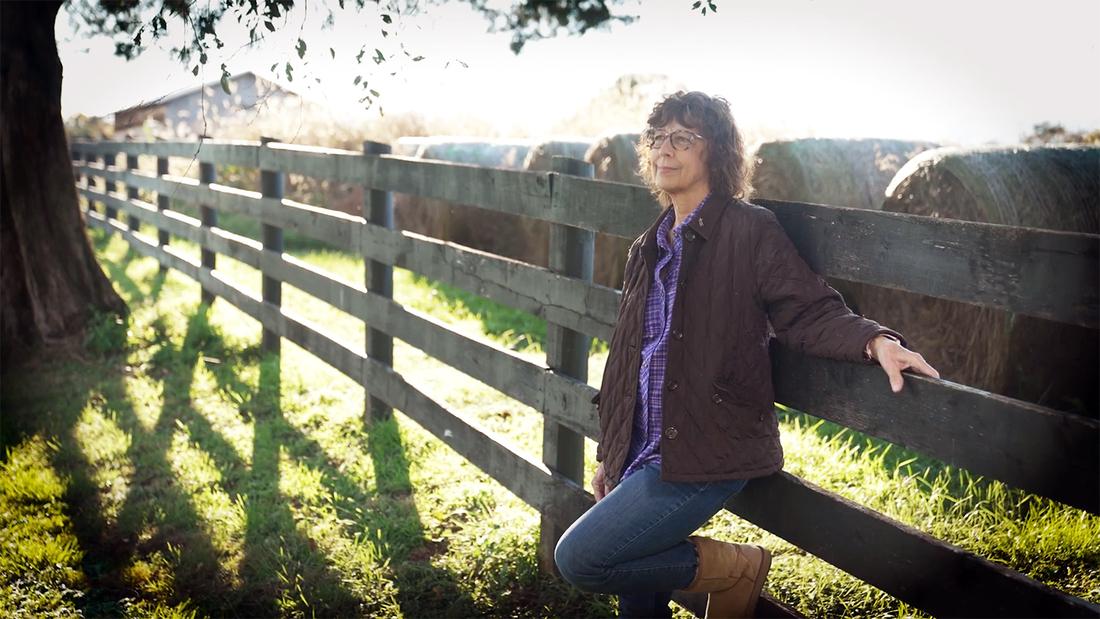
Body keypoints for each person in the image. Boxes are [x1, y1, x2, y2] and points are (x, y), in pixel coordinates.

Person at [552, 91, 940, 619]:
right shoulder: (649, 245)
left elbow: (808, 310)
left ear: (716, 152)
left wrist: (876, 340)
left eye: (683, 138)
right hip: (643, 450)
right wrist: (612, 452)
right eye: (658, 137)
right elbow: (628, 358)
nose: (665, 149)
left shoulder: (749, 230)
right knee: (637, 606)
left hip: (707, 452)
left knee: (580, 558)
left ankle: (733, 568)